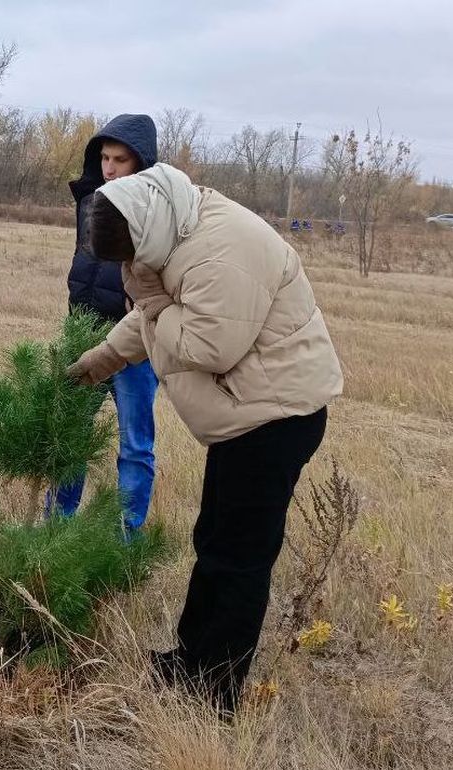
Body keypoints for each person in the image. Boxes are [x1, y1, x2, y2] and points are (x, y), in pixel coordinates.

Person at [68, 163, 343, 715]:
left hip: (276, 419)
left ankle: (215, 691)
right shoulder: (171, 229)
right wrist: (100, 360)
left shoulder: (224, 251)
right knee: (214, 536)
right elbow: (153, 316)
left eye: (132, 260)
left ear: (148, 232)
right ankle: (191, 658)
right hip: (247, 413)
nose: (131, 270)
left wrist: (152, 302)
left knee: (239, 555)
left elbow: (206, 346)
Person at [51, 114, 160, 529]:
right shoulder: (89, 201)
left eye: (120, 160)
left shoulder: (155, 211)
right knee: (71, 435)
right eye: (104, 158)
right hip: (85, 332)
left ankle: (126, 540)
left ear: (141, 164)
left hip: (135, 345)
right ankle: (56, 526)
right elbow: (85, 264)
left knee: (135, 445)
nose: (109, 168)